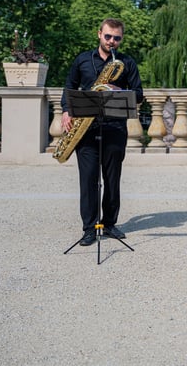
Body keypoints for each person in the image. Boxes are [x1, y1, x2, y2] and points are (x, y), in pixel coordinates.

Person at [61, 18, 143, 246]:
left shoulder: (127, 62)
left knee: (112, 179)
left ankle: (109, 223)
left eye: (117, 38)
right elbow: (69, 86)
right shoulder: (83, 60)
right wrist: (66, 111)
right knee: (88, 180)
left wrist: (119, 90)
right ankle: (89, 228)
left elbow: (139, 94)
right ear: (99, 34)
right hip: (86, 129)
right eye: (108, 36)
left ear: (121, 39)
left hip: (115, 128)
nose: (112, 41)